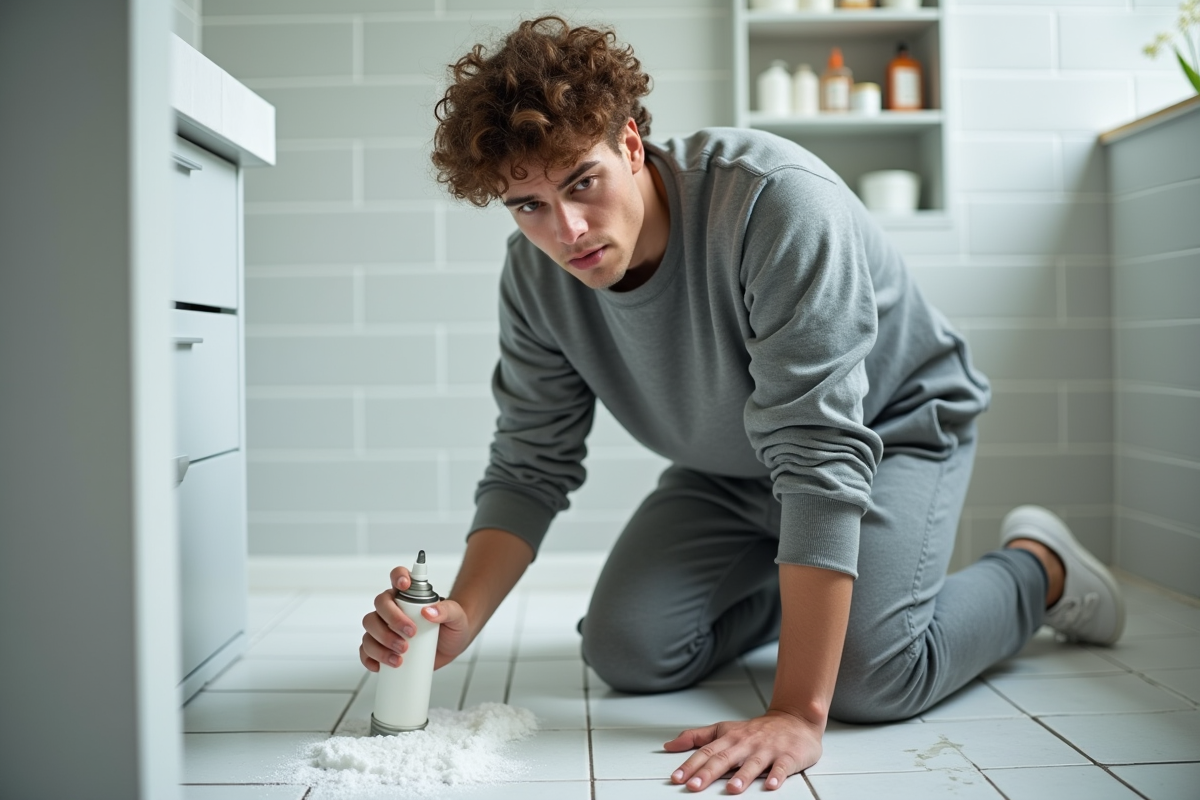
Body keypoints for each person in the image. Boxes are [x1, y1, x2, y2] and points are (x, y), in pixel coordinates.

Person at [359, 16, 1125, 794]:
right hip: (730, 465)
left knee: (870, 681)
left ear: (629, 143)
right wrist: (462, 617)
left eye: (580, 182)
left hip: (892, 432)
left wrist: (796, 710)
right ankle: (810, 594)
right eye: (527, 206)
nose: (567, 231)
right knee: (627, 651)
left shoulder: (774, 203)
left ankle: (1043, 570)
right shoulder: (535, 277)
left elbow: (820, 452)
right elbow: (530, 460)